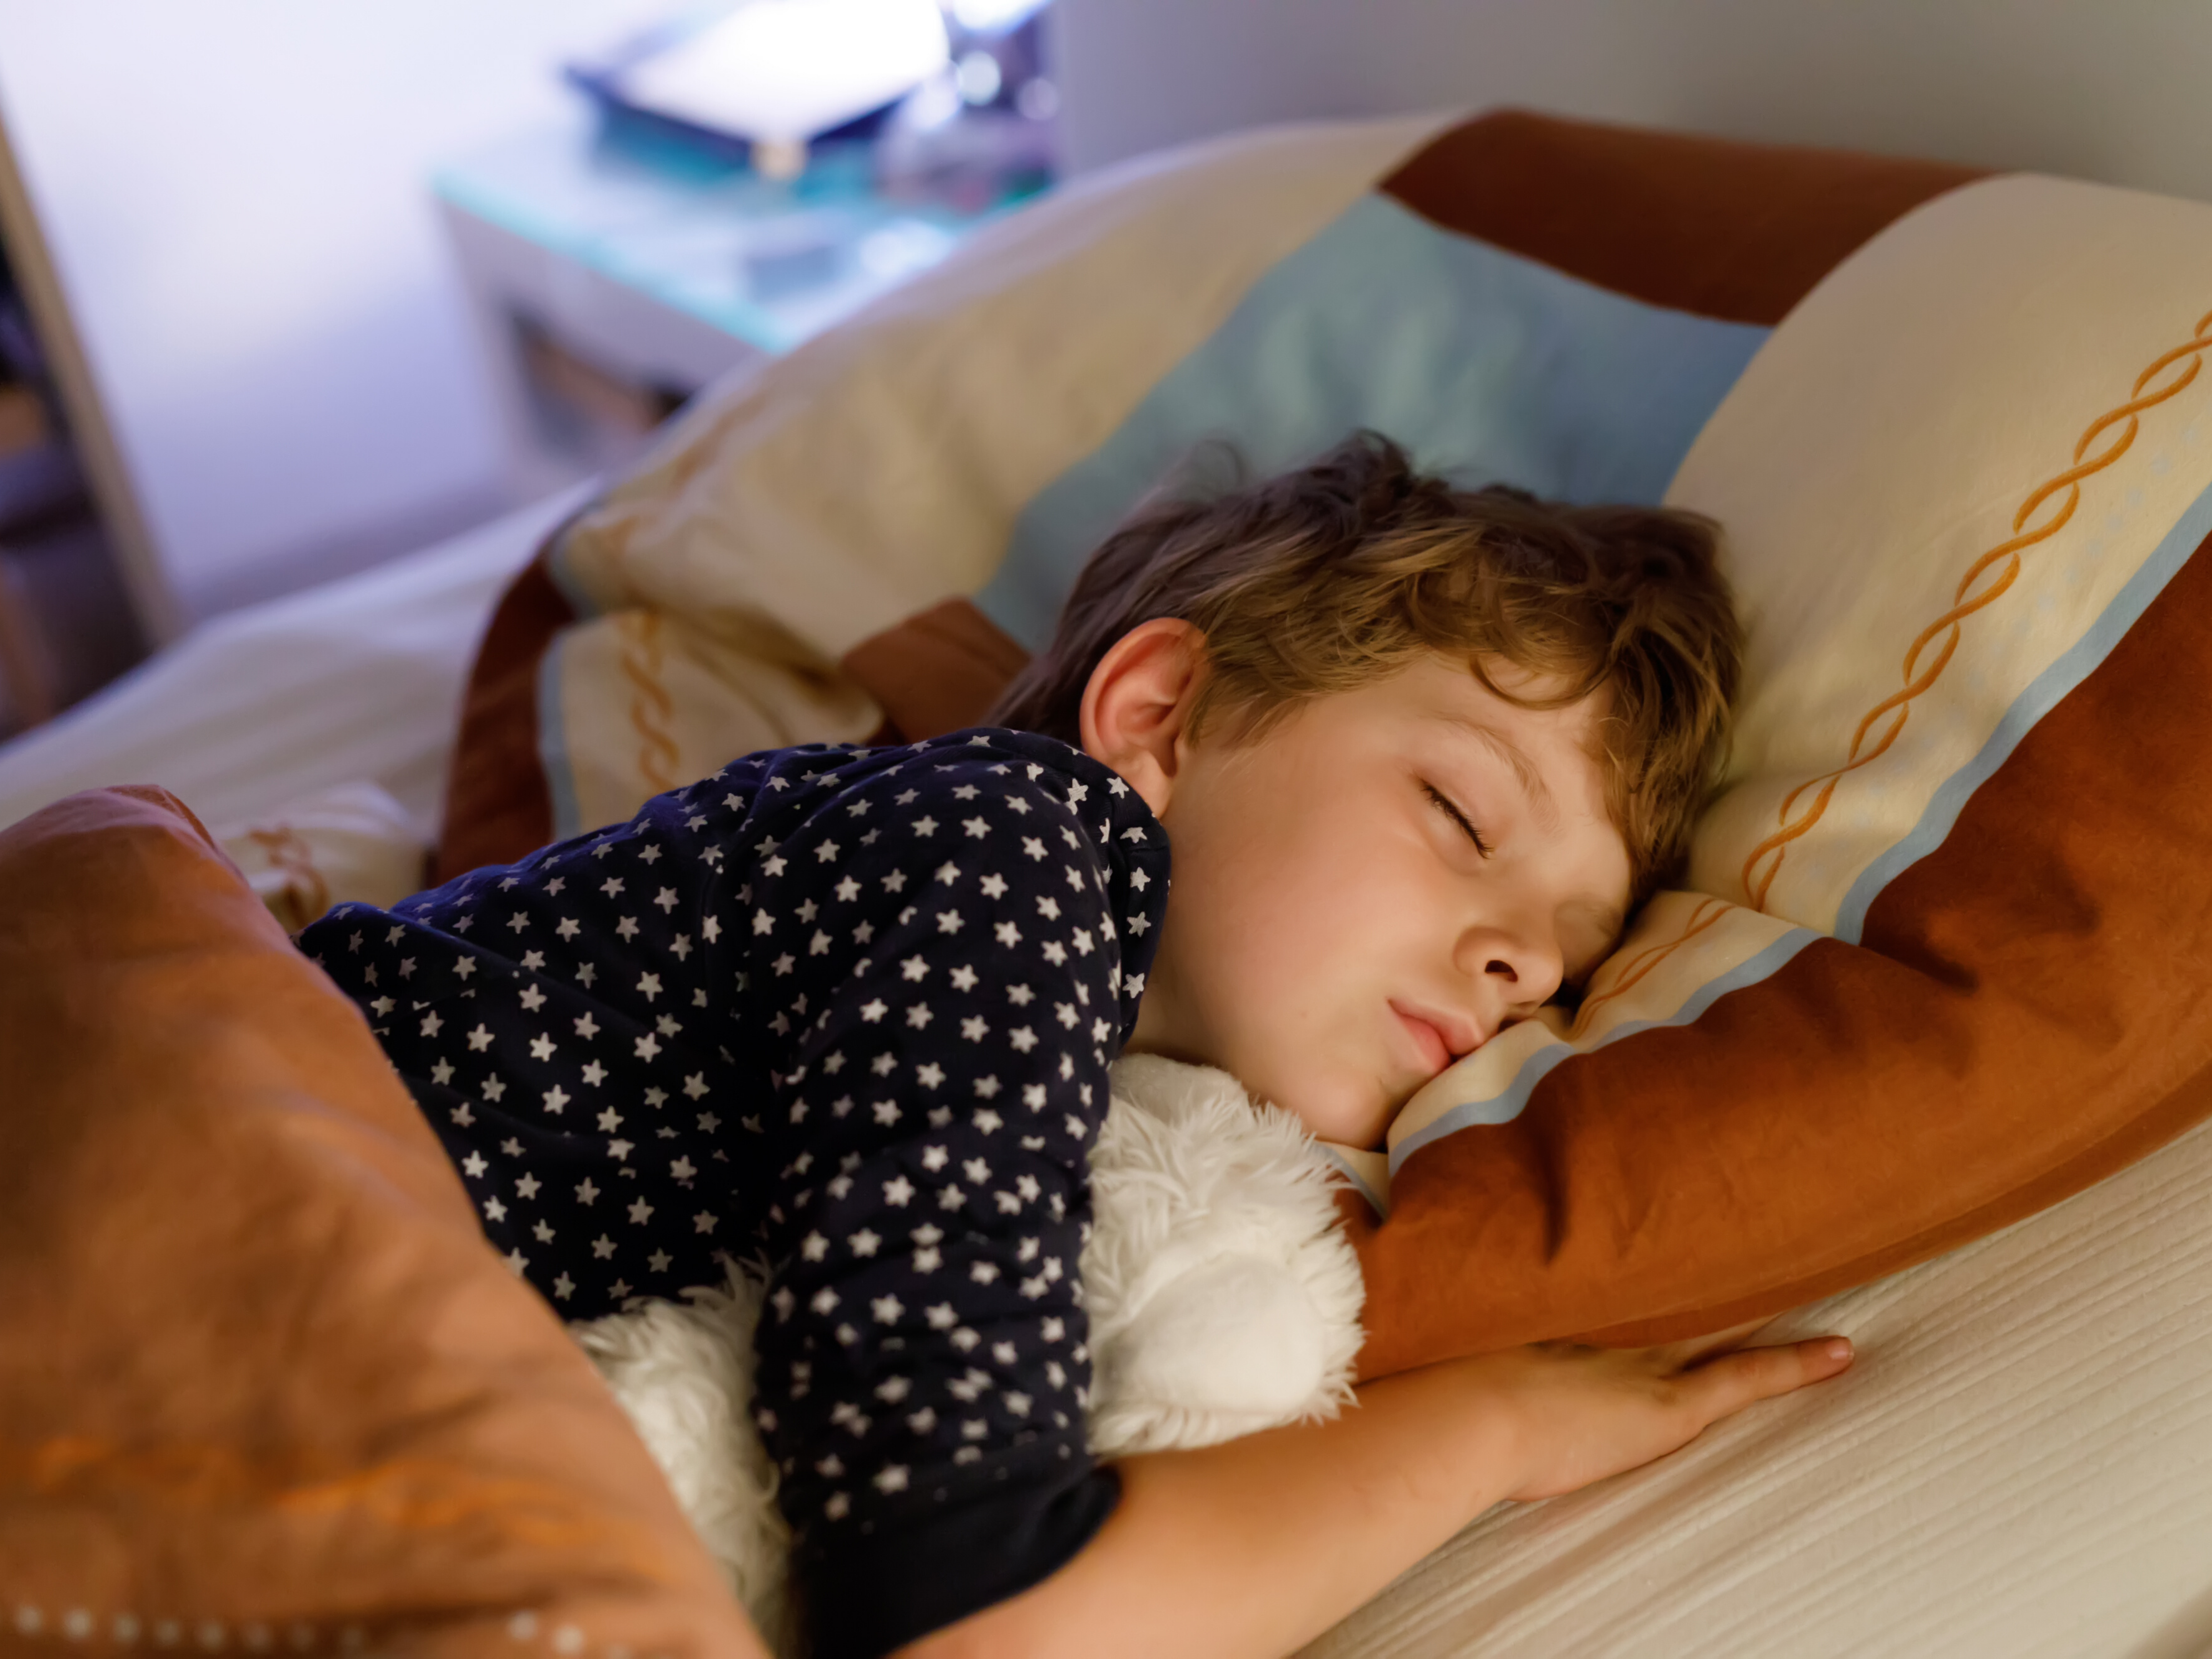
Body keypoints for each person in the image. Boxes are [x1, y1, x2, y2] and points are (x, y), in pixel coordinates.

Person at [302, 432, 1851, 1659]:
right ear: (1164, 711)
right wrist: (1495, 1423)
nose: (1520, 960)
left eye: (1568, 963)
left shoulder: (1075, 1036)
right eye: (1461, 814)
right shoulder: (1012, 851)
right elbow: (971, 1616)